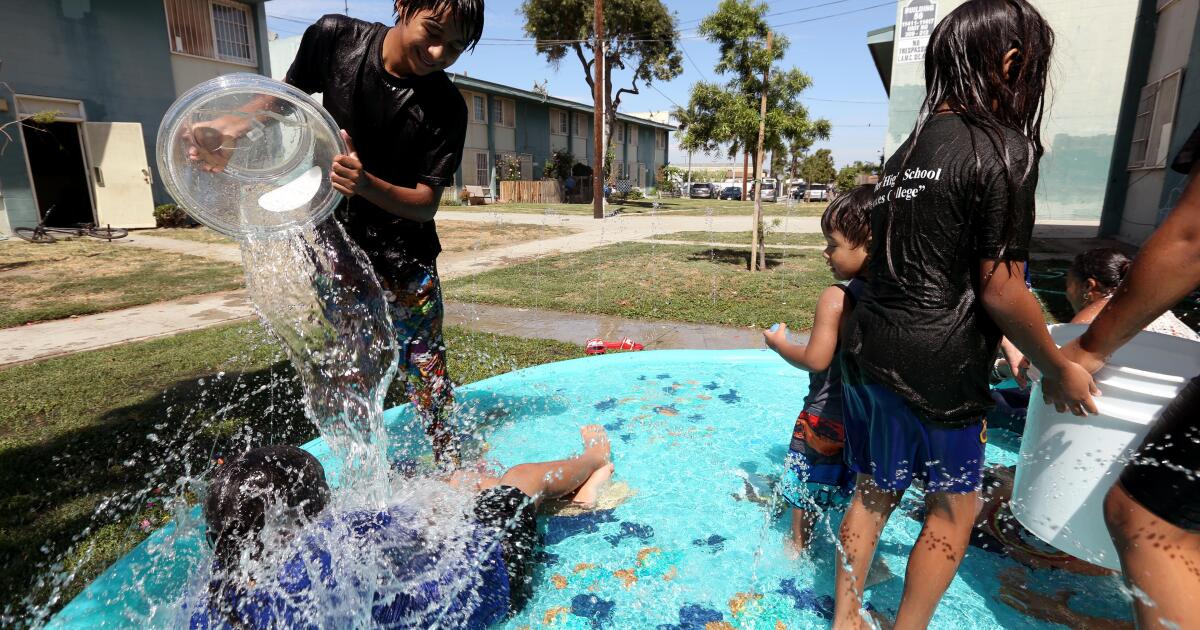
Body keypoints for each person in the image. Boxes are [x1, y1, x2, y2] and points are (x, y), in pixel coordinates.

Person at [832, 2, 1097, 628]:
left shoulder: (905, 155)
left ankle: (844, 620)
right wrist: (1056, 367)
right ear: (1010, 62)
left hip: (869, 347)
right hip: (939, 366)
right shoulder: (1003, 149)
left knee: (873, 493)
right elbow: (1001, 290)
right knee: (954, 509)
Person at [186, 1, 485, 466]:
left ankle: (451, 465)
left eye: (456, 47)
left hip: (408, 262)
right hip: (338, 250)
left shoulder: (447, 107)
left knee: (427, 372)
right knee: (350, 368)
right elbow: (287, 98)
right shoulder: (336, 38)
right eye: (433, 30)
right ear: (403, 6)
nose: (438, 51)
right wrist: (234, 124)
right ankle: (366, 475)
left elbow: (425, 204)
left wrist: (365, 185)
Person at [189, 426, 614, 628]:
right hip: (489, 587)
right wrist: (463, 488)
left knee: (471, 486)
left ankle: (577, 501)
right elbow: (434, 515)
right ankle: (593, 461)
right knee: (519, 479)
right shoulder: (344, 537)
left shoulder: (213, 601)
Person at [1054, 122, 1200, 629]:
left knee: (1144, 519)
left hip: (1102, 443)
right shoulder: (1176, 322)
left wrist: (1085, 349)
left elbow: (1191, 234)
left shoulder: (1097, 315)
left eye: (1071, 290)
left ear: (1090, 287)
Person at [763, 185, 874, 552]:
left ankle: (798, 546)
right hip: (870, 420)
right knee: (859, 491)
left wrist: (781, 346)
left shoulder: (837, 297)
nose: (825, 252)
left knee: (804, 480)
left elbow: (816, 359)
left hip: (825, 414)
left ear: (868, 243)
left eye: (833, 244)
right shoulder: (896, 298)